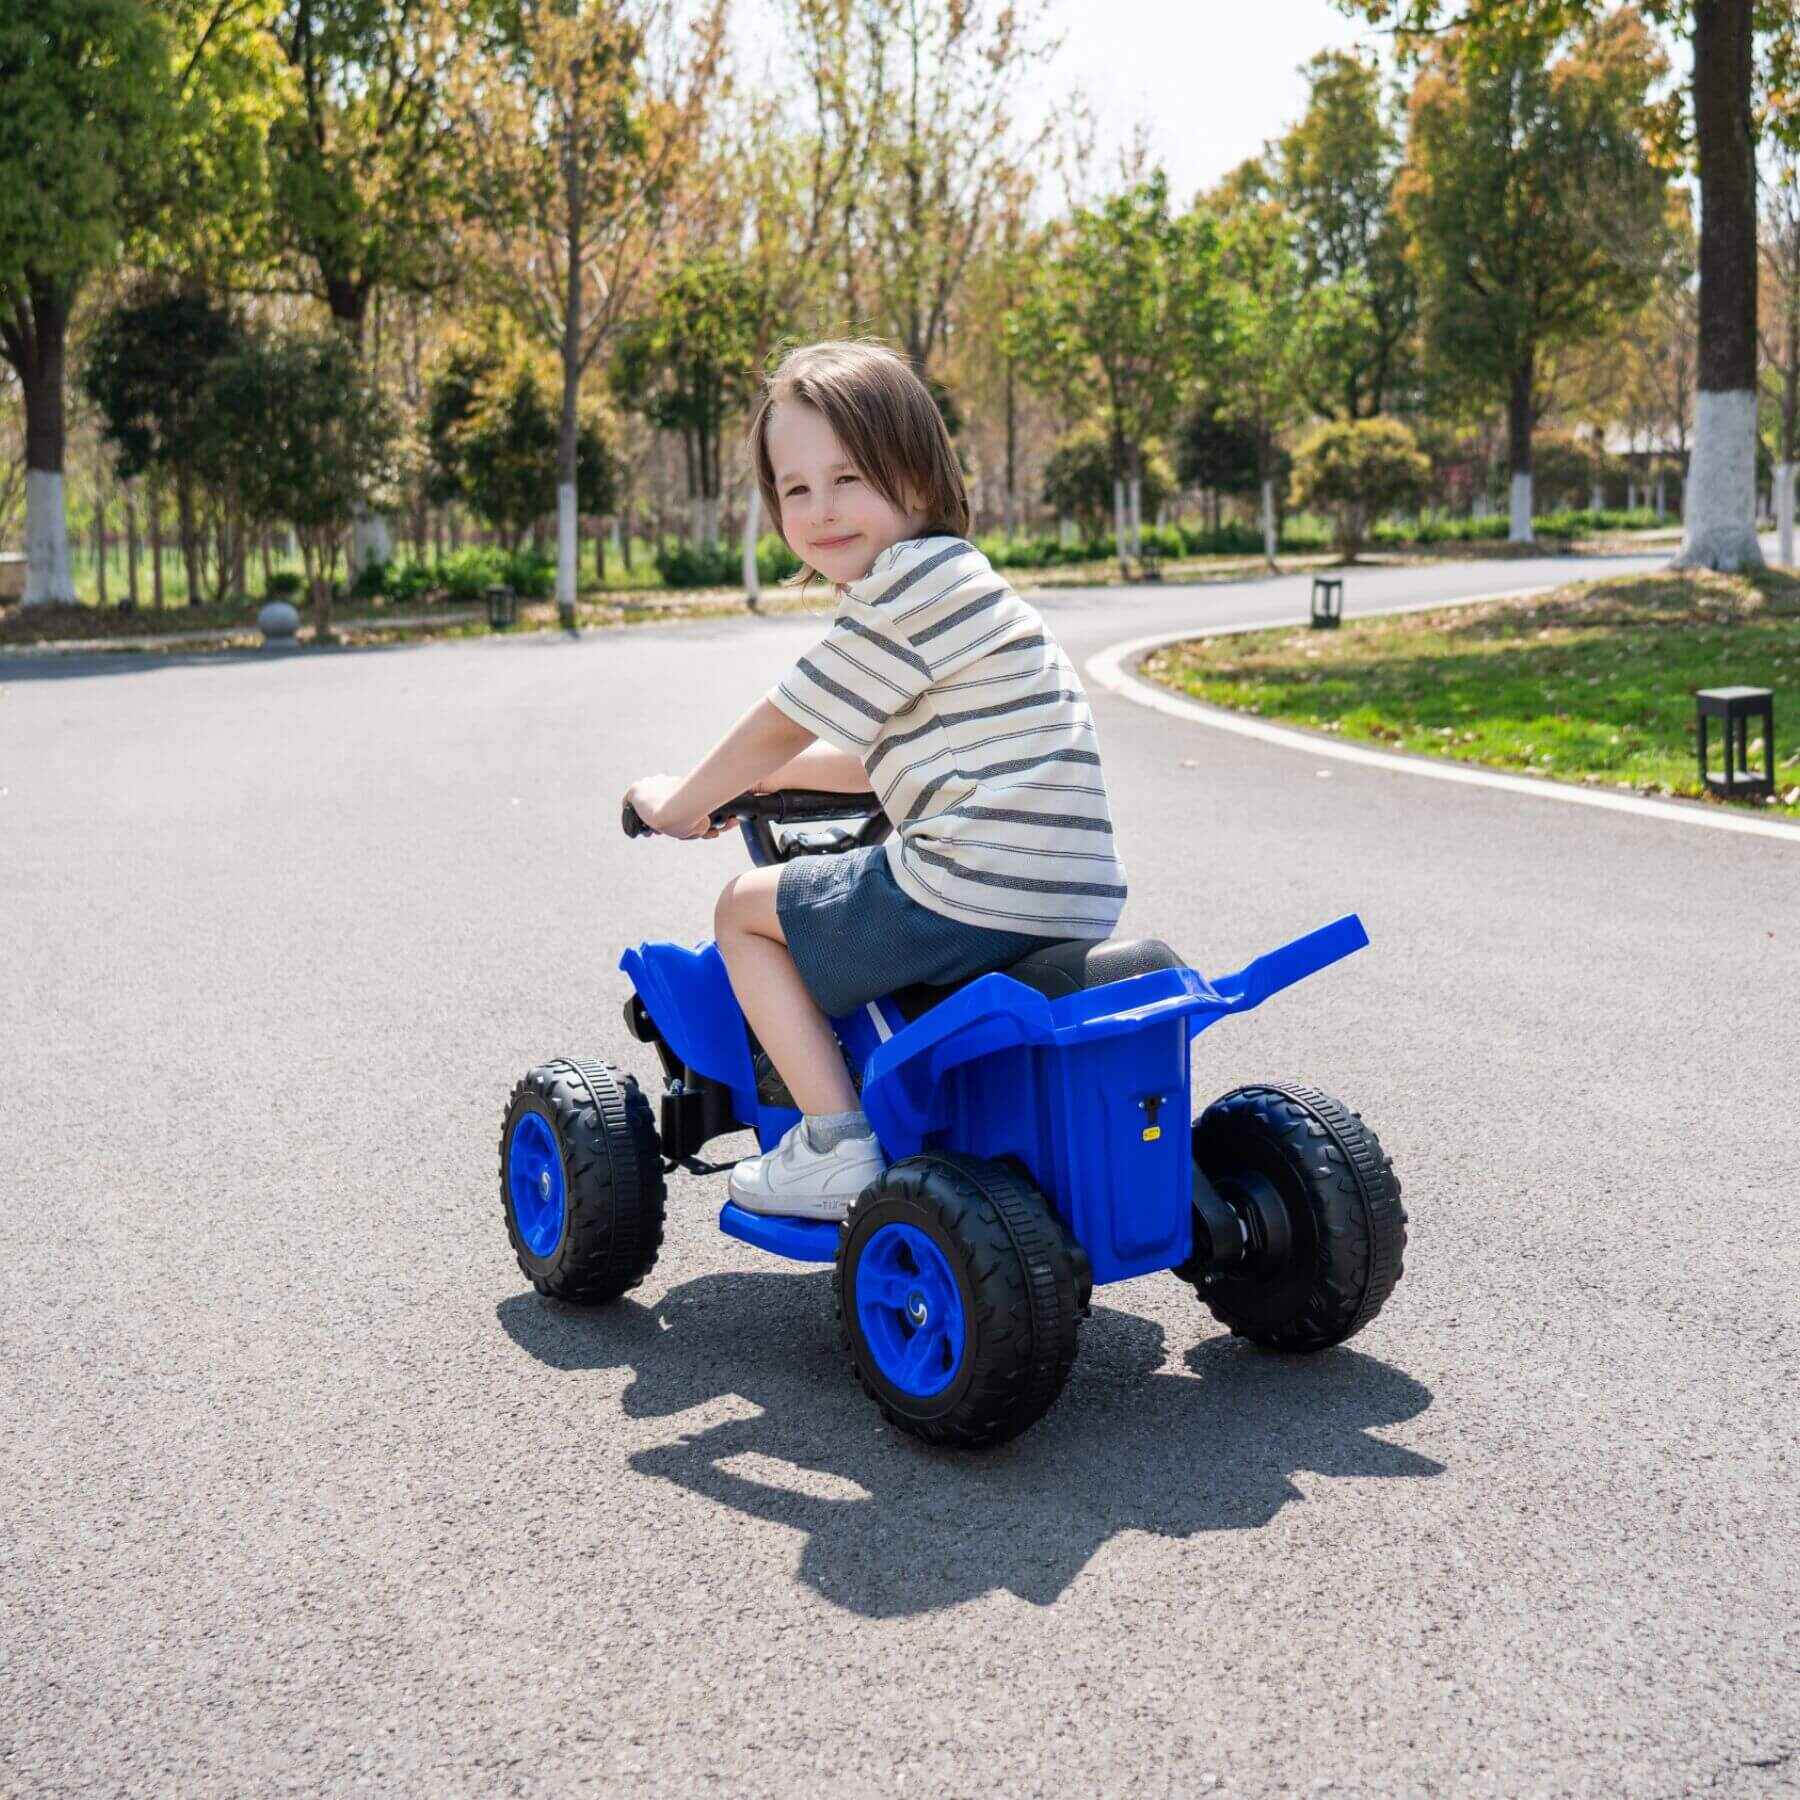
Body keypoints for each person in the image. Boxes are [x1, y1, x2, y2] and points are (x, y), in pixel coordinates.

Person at [622, 340, 1127, 1221]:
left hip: (971, 883)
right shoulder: (966, 588)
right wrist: (745, 788)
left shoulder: (906, 589)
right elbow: (863, 764)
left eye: (849, 477)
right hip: (1071, 893)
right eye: (796, 489)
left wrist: (681, 801)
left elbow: (785, 719)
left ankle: (832, 1142)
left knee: (744, 909)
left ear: (920, 481)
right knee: (821, 889)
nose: (821, 510)